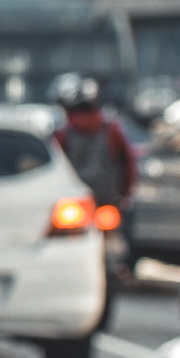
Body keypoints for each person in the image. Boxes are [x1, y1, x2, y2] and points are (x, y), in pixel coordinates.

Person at [51, 76, 137, 277]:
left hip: (73, 204)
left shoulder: (63, 134)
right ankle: (126, 267)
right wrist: (124, 195)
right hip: (106, 202)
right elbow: (129, 166)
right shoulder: (112, 131)